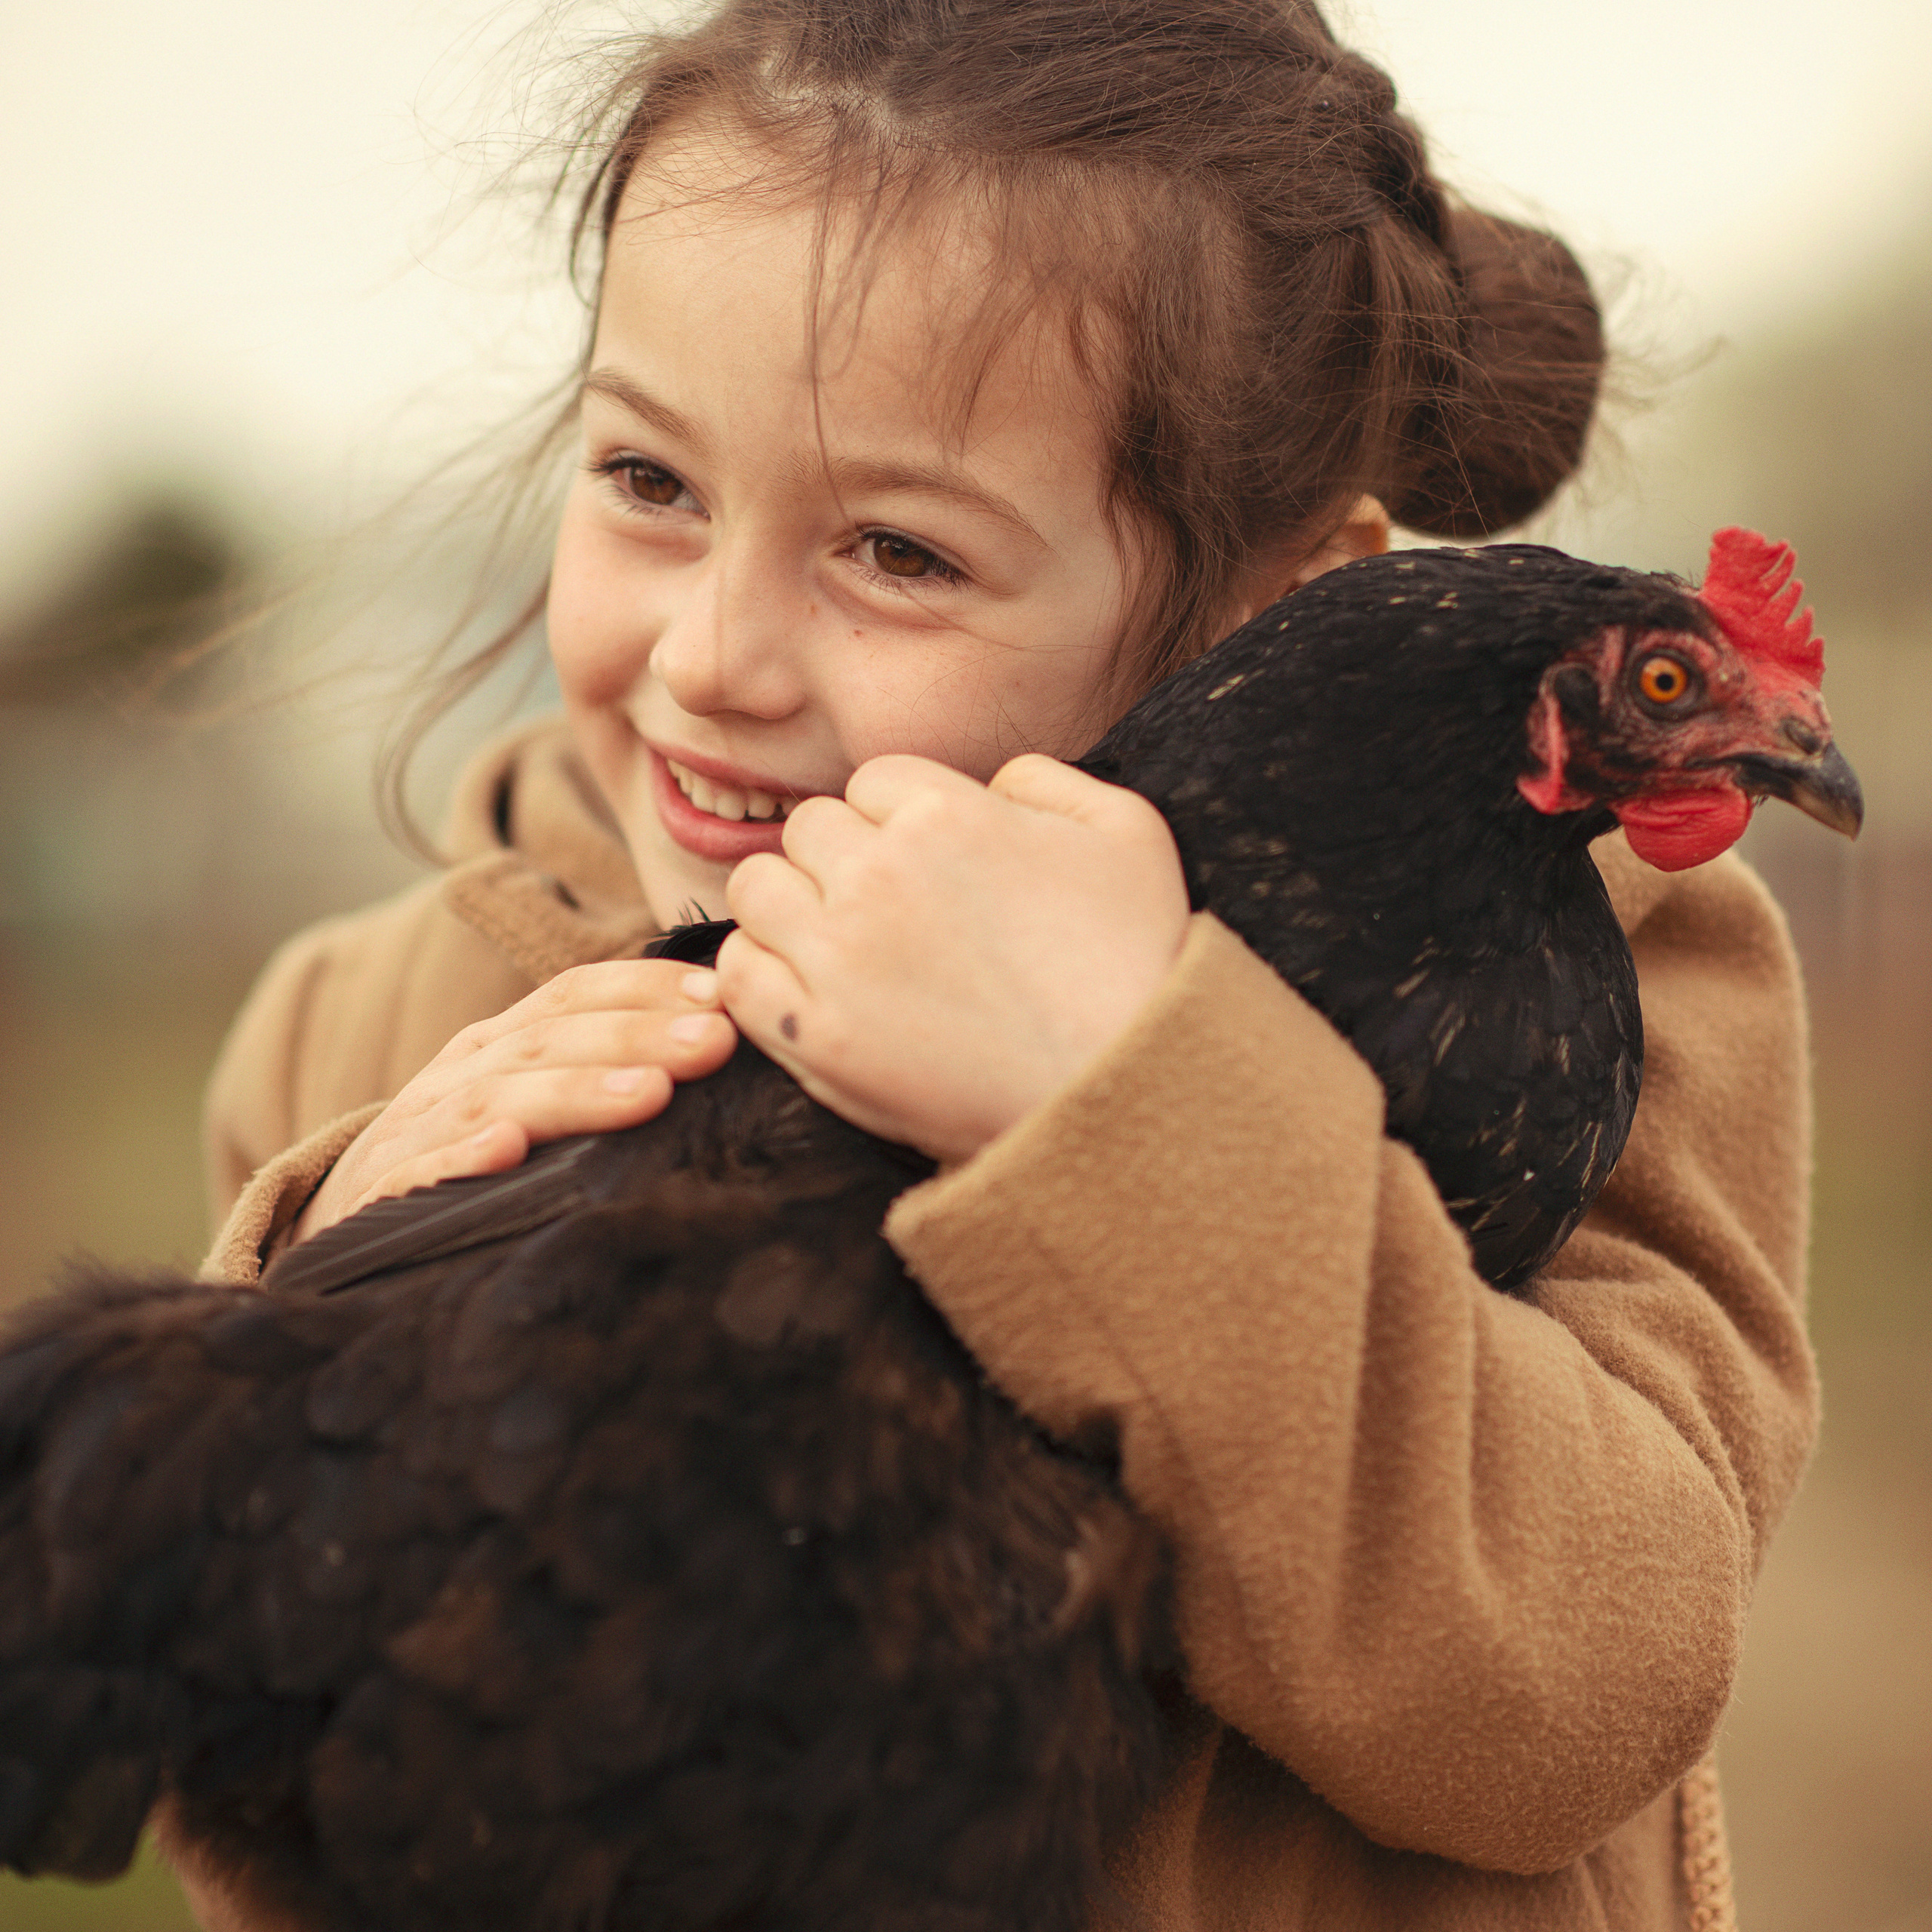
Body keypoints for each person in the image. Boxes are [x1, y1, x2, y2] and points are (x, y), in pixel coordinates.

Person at [186, 2, 1814, 1927]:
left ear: (1287, 600)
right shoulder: (369, 1027)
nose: (712, 652)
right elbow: (273, 1826)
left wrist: (1124, 1105)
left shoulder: (1613, 981)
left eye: (894, 547)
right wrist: (330, 1294)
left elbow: (1565, 1695)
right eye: (648, 480)